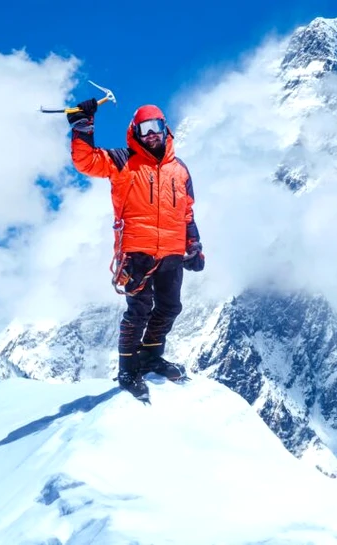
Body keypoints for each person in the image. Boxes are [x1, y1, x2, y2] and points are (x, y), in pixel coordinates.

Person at [67, 98, 204, 398]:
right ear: (135, 132)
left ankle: (151, 357)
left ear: (164, 128)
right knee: (139, 311)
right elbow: (86, 161)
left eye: (156, 127)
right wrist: (82, 125)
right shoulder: (122, 160)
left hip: (171, 251)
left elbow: (187, 211)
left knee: (170, 307)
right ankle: (128, 371)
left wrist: (193, 243)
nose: (152, 134)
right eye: (145, 129)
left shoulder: (180, 170)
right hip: (136, 253)